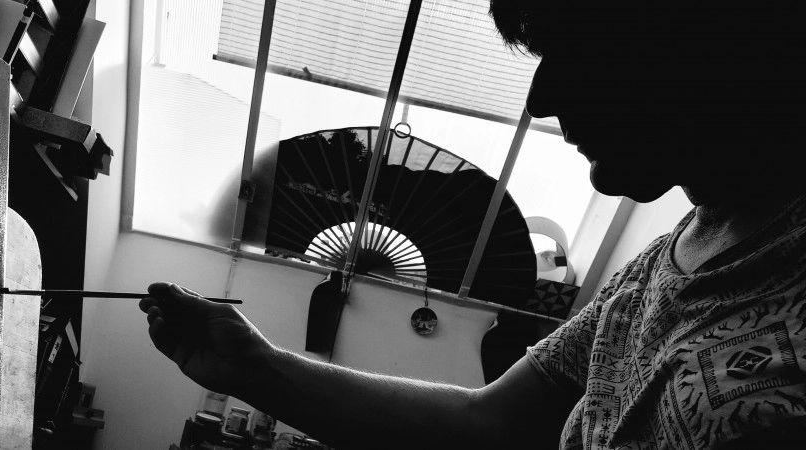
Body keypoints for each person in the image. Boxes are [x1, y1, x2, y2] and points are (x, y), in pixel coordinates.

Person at [140, 1, 806, 448]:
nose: (540, 99)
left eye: (574, 52)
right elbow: (485, 424)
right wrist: (255, 368)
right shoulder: (653, 268)